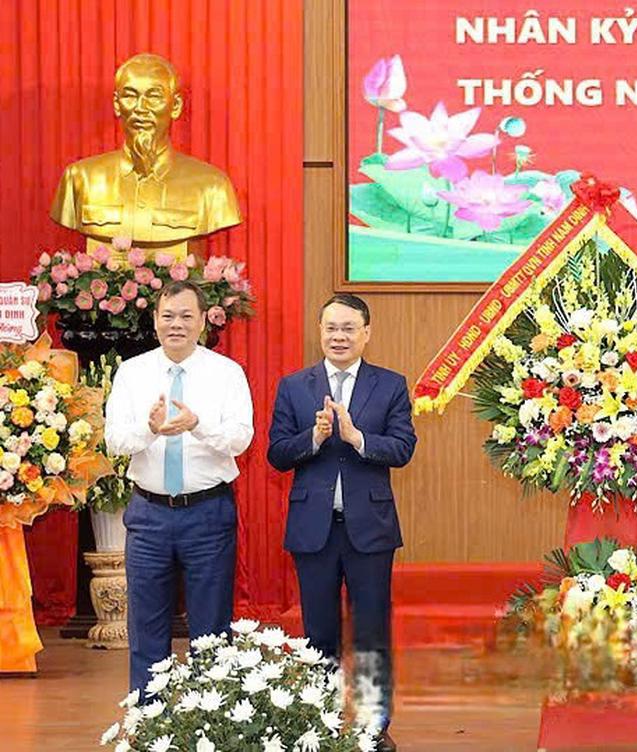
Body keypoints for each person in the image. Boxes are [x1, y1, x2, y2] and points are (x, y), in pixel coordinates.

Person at [268, 294, 417, 752]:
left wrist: (357, 438)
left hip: (370, 529)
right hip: (313, 529)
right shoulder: (295, 386)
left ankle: (374, 725)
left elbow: (403, 448)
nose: (339, 336)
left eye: (348, 328)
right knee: (319, 632)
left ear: (366, 333)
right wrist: (313, 438)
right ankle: (321, 720)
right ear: (320, 331)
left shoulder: (390, 385)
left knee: (371, 630)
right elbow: (277, 453)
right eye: (331, 327)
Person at [104, 279, 253, 692]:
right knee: (146, 626)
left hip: (208, 513)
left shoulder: (227, 373)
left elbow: (241, 439)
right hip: (148, 515)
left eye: (187, 316)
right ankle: (148, 716)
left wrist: (198, 425)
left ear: (203, 321)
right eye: (168, 316)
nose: (177, 324)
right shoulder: (132, 373)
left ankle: (211, 717)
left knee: (211, 629)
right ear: (154, 320)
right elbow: (115, 440)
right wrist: (149, 430)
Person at [50, 53, 241, 259]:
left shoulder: (211, 186)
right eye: (130, 96)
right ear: (117, 104)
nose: (140, 108)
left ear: (175, 106)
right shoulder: (80, 178)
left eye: (154, 97)